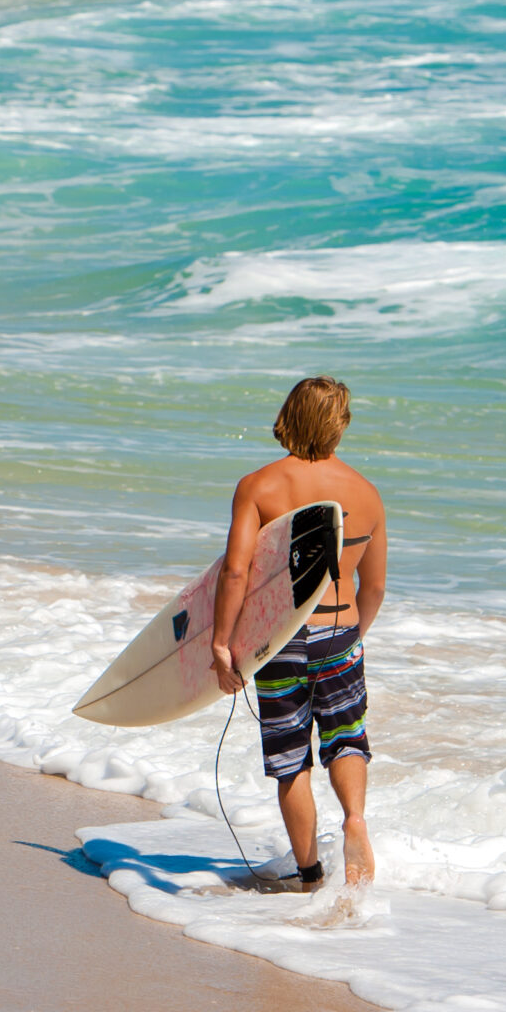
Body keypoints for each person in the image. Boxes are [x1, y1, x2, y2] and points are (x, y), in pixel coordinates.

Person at [211, 375, 388, 891]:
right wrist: (353, 638)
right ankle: (354, 818)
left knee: (292, 758)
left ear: (289, 415)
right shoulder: (367, 494)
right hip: (340, 630)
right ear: (340, 425)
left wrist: (223, 644)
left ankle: (309, 876)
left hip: (281, 637)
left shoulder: (259, 486)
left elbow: (237, 572)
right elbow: (373, 586)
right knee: (345, 738)